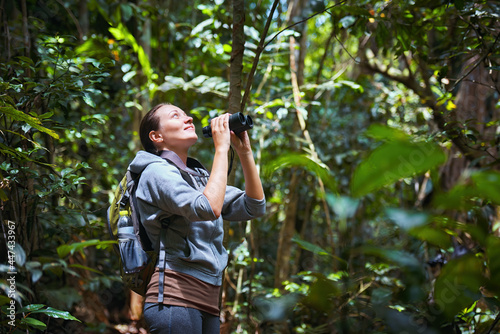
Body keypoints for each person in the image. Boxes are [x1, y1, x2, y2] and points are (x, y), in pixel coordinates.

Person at [128, 103, 266, 333]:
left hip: (209, 300)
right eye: (176, 115)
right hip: (174, 297)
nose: (189, 118)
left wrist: (244, 152)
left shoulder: (198, 178)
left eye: (186, 114)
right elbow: (206, 208)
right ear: (156, 136)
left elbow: (254, 206)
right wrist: (221, 149)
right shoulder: (155, 172)